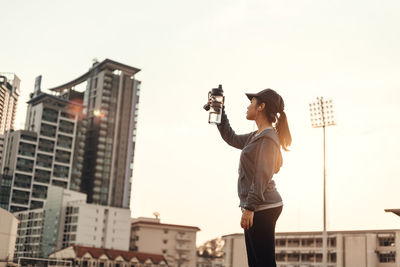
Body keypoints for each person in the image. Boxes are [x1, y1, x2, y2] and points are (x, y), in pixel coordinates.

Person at [215, 88, 292, 267]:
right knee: (256, 263)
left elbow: (262, 175)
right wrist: (219, 112)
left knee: (263, 263)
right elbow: (230, 137)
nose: (248, 106)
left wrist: (250, 207)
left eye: (252, 102)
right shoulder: (255, 136)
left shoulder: (267, 138)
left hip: (263, 206)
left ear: (261, 107)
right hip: (257, 205)